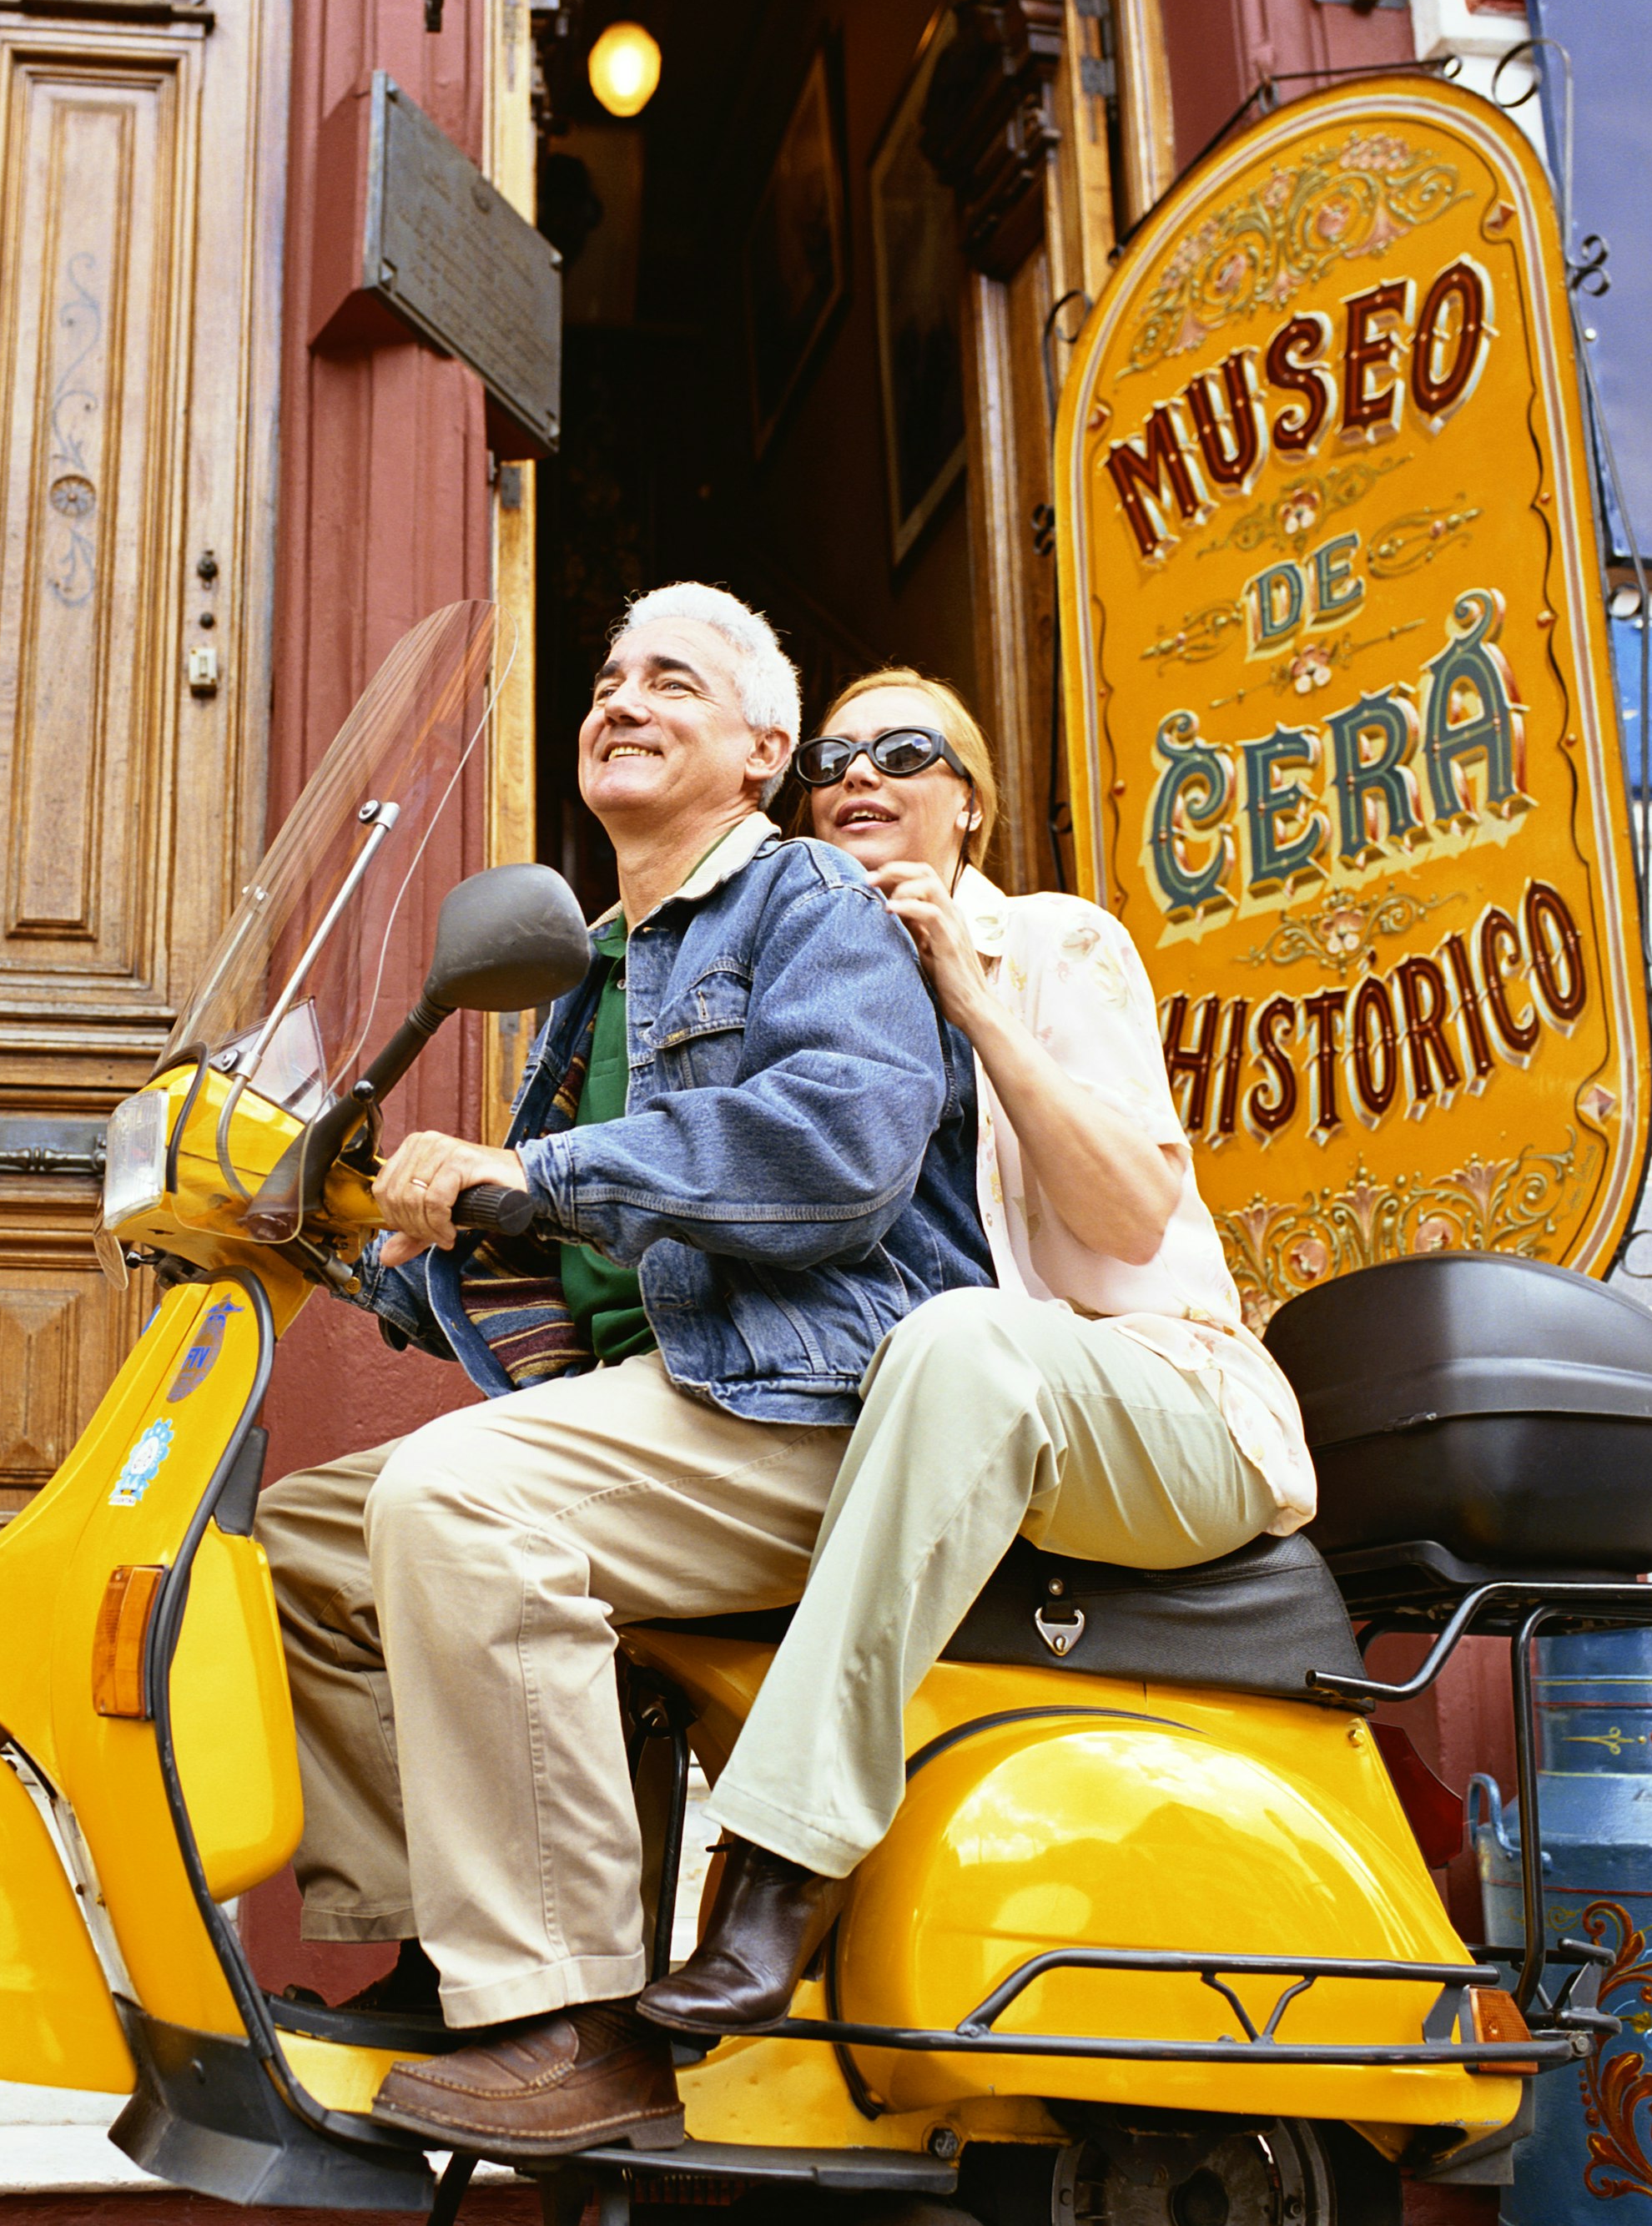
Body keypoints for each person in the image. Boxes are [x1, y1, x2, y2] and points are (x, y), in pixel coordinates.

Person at [255, 589, 996, 2156]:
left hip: (811, 1404)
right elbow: (572, 1245)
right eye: (605, 678)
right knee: (300, 1544)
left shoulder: (809, 900)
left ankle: (575, 2022)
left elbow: (844, 1151)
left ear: (762, 752)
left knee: (461, 1502)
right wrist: (372, 1241)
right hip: (674, 1409)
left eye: (674, 680)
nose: (622, 699)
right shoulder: (598, 966)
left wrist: (542, 1171)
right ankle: (446, 1964)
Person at [634, 667, 1313, 2037]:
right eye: (830, 756)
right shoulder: (794, 980)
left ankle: (777, 1868)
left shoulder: (1057, 943)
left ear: (971, 811)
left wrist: (974, 1000)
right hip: (958, 1410)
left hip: (1167, 1394)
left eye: (905, 750)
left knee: (960, 1340)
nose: (858, 775)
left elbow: (1127, 1216)